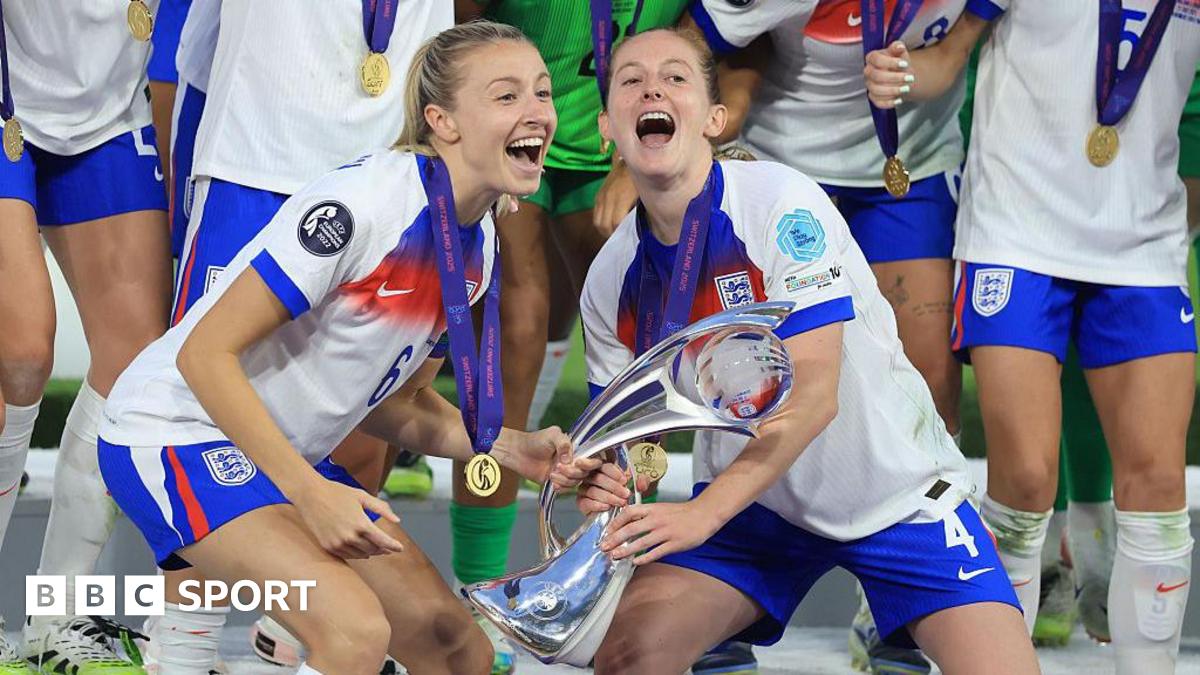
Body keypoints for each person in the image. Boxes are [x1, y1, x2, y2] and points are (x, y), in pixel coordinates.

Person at [98, 21, 571, 675]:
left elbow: (399, 405)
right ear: (443, 121)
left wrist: (509, 446)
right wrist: (312, 494)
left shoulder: (477, 246)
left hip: (276, 456)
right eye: (507, 95)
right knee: (354, 632)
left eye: (542, 92)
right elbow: (202, 355)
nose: (537, 112)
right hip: (172, 434)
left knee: (456, 647)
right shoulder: (363, 205)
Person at [568, 27, 1037, 675]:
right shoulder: (610, 280)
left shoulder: (780, 203)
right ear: (606, 129)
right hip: (753, 506)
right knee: (628, 655)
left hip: (896, 494)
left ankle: (867, 628)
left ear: (715, 119)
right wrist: (600, 478)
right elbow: (629, 451)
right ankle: (722, 636)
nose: (652, 88)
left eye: (675, 76)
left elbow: (815, 397)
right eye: (631, 80)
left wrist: (700, 515)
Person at [864, 1, 1197, 671]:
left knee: (1160, 486)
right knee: (1023, 478)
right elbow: (950, 57)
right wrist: (903, 76)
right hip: (1016, 235)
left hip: (1143, 244)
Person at [162, 2, 451, 670]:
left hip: (390, 165)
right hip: (257, 158)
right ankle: (182, 651)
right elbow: (192, 55)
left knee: (363, 414)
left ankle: (297, 629)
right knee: (199, 417)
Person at [685, 0, 971, 670]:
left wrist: (920, 71)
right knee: (744, 371)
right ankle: (723, 576)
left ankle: (895, 610)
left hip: (910, 166)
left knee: (929, 374)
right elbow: (694, 38)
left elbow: (968, 39)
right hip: (781, 166)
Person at [440, 2, 689, 672]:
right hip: (515, 133)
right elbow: (456, 28)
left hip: (614, 144)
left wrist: (638, 148)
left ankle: (620, 575)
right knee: (518, 323)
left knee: (641, 327)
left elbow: (714, 42)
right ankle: (479, 588)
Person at [0, 1, 172, 672]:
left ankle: (57, 618)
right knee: (19, 354)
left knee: (133, 368)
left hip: (111, 104)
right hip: (6, 93)